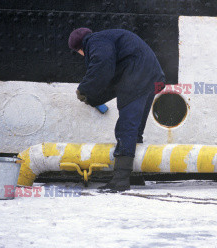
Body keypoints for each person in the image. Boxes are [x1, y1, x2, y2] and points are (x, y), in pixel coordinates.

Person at [68, 28, 165, 192]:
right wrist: (93, 98)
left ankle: (120, 180)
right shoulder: (109, 39)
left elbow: (102, 65)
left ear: (79, 48)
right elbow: (112, 77)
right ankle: (135, 175)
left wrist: (84, 89)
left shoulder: (94, 42)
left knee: (126, 128)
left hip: (138, 77)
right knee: (135, 130)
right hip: (152, 78)